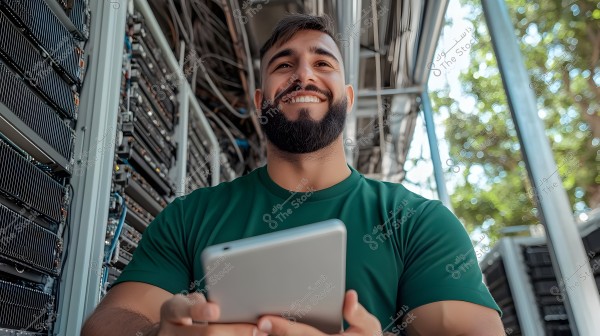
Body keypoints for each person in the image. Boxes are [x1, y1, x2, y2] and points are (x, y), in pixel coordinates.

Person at [82, 13, 504, 336]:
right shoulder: (189, 217)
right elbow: (107, 322)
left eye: (323, 62)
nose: (304, 74)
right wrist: (160, 333)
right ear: (259, 99)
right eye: (285, 65)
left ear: (349, 97)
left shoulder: (418, 222)